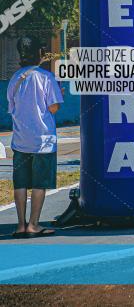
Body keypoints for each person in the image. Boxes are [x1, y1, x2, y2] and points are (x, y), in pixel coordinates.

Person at [7, 36, 62, 238]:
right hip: (43, 141)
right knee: (40, 183)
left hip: (20, 140)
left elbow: (12, 109)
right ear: (39, 54)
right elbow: (53, 107)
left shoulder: (15, 79)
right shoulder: (46, 77)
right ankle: (33, 225)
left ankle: (20, 225)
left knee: (20, 183)